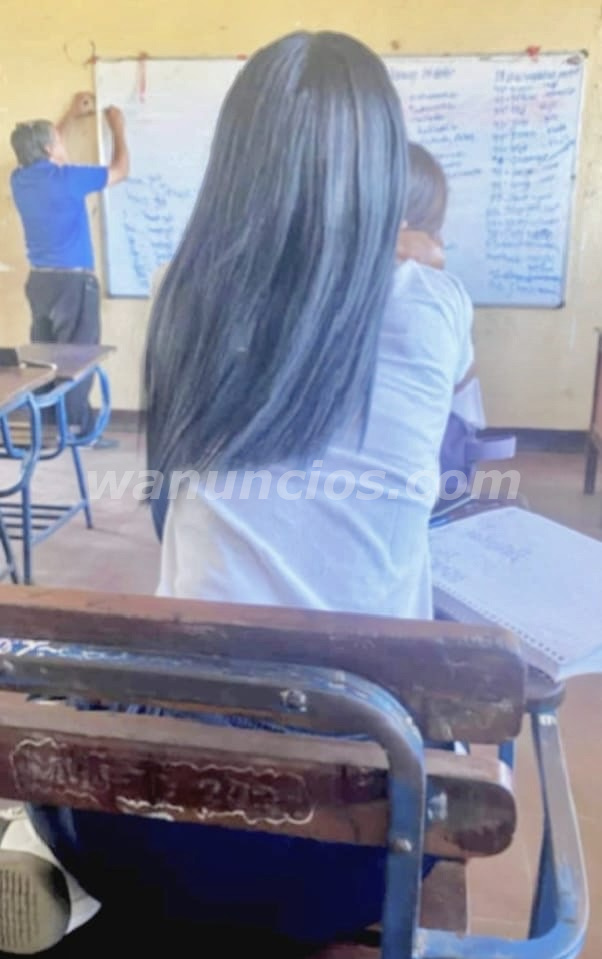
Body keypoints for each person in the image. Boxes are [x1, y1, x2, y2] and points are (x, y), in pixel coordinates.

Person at [1, 32, 475, 954]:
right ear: (384, 172)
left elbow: (172, 502)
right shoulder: (431, 303)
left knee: (90, 717)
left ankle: (40, 859)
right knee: (435, 736)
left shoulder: (183, 292)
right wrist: (407, 252)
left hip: (151, 828)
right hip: (360, 852)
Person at [10, 94, 129, 445]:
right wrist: (118, 129)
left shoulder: (20, 179)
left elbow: (45, 148)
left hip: (40, 283)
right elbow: (121, 170)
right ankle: (79, 432)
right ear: (50, 148)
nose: (63, 144)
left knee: (45, 358)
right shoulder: (68, 179)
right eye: (58, 141)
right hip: (73, 284)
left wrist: (69, 115)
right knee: (78, 357)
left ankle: (50, 427)